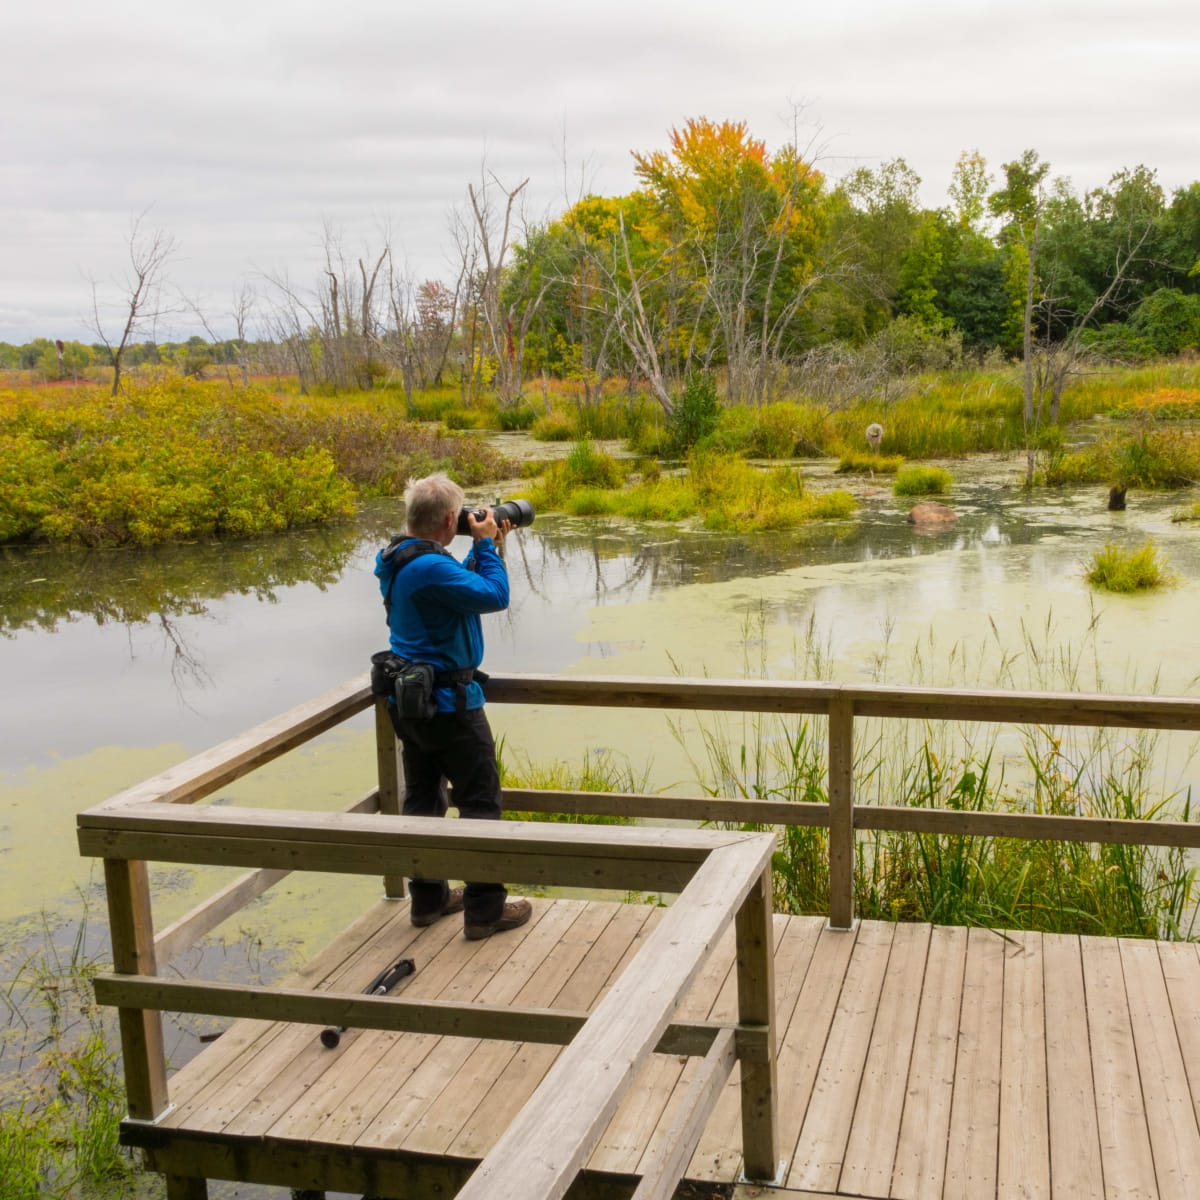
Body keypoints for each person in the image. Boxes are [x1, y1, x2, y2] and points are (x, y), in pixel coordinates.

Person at [374, 472, 532, 940]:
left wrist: (479, 544)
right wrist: (486, 547)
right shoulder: (428, 567)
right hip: (449, 705)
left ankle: (428, 898)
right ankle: (485, 911)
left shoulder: (401, 556)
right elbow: (494, 596)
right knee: (481, 804)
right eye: (460, 517)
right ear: (449, 519)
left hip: (413, 705)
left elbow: (453, 586)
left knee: (423, 799)